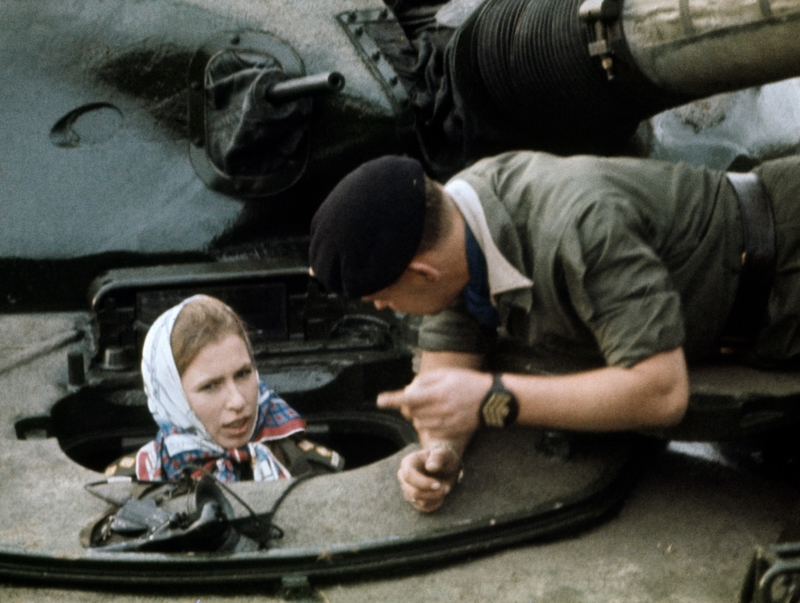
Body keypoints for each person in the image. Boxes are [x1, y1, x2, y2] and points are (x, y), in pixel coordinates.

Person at [308, 151, 800, 512]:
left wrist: (490, 397)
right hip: (753, 315)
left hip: (787, 265)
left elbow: (661, 392)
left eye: (383, 297)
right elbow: (445, 376)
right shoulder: (456, 231)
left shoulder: (578, 229)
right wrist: (438, 452)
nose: (381, 307)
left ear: (422, 272)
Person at [104, 294, 343, 483]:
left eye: (243, 374)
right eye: (210, 386)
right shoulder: (129, 485)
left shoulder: (315, 472)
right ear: (172, 399)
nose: (238, 401)